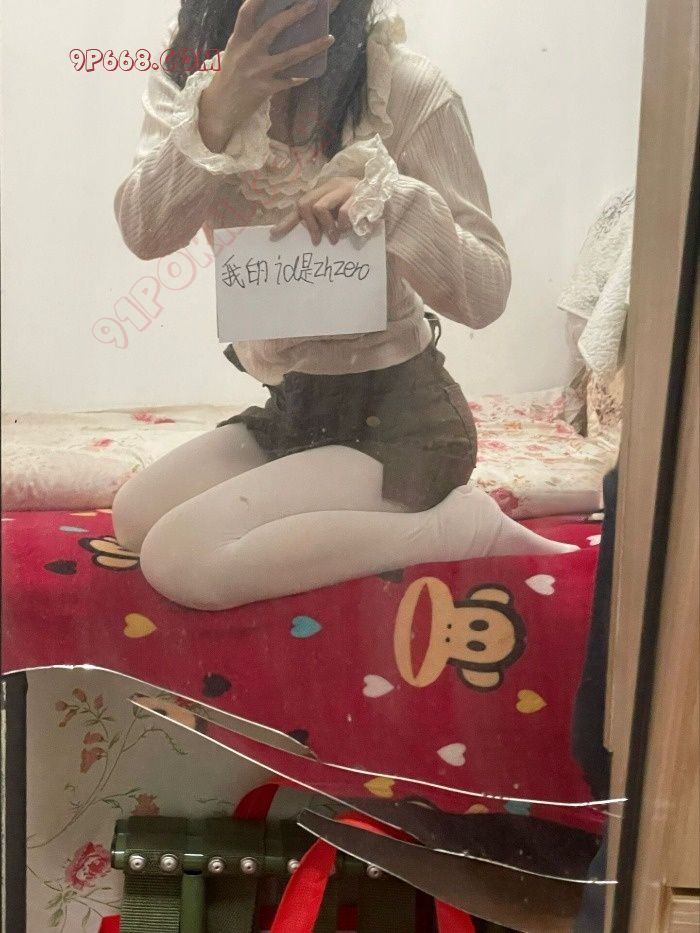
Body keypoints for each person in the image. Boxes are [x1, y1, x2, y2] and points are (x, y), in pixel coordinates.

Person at [112, 0, 573, 611]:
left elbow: (487, 292)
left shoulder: (404, 87)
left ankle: (461, 529)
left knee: (181, 557)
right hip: (294, 408)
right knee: (134, 518)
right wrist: (219, 108)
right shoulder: (189, 83)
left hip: (402, 421)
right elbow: (146, 232)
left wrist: (392, 204)